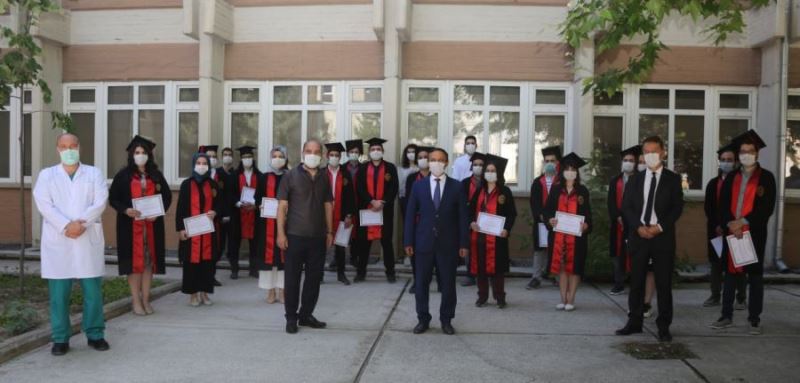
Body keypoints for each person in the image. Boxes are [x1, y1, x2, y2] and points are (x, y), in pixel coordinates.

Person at [33, 133, 110, 356]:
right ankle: (60, 338)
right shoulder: (47, 175)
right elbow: (44, 204)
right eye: (64, 146)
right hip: (59, 240)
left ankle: (95, 334)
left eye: (73, 145)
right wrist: (67, 225)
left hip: (87, 237)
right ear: (57, 149)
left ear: (80, 147)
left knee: (93, 292)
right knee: (58, 295)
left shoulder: (93, 173)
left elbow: (100, 201)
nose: (69, 150)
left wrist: (81, 224)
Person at [616, 136, 684, 342]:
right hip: (639, 236)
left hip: (662, 237)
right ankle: (634, 321)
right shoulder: (636, 179)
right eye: (646, 152)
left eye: (654, 151)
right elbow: (626, 207)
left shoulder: (673, 179)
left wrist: (659, 227)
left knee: (663, 283)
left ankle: (664, 326)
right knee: (636, 281)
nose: (650, 155)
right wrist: (638, 226)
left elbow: (677, 208)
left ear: (663, 152)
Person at [711, 130, 776, 335]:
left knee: (755, 277)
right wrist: (731, 223)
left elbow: (767, 208)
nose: (746, 154)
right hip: (733, 232)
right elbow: (722, 206)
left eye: (750, 151)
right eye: (742, 151)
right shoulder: (731, 178)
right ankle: (726, 315)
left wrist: (743, 222)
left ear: (757, 153)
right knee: (731, 276)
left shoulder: (766, 178)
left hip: (754, 233)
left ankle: (754, 319)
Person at [404, 148, 470, 335]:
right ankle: (422, 319)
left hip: (448, 244)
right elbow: (409, 215)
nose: (436, 163)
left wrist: (464, 244)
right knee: (421, 284)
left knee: (448, 284)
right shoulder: (419, 186)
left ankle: (446, 319)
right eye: (433, 160)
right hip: (423, 243)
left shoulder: (457, 187)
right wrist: (408, 240)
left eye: (440, 160)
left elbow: (463, 218)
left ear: (447, 163)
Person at [109, 135, 172, 316]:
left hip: (152, 227)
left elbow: (167, 197)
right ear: (131, 154)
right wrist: (126, 210)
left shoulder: (156, 175)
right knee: (134, 264)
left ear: (149, 155)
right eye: (137, 152)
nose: (140, 155)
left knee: (148, 264)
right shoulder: (123, 176)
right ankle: (135, 301)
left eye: (144, 152)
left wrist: (158, 211)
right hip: (130, 228)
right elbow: (113, 198)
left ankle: (146, 300)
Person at [277, 139, 335, 334]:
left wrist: (329, 231)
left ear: (322, 154)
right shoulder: (290, 176)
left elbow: (328, 206)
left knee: (313, 279)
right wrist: (280, 233)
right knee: (292, 279)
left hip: (318, 237)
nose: (313, 154)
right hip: (294, 236)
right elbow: (282, 207)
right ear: (302, 153)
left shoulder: (325, 177)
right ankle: (291, 317)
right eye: (309, 151)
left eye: (317, 151)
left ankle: (306, 315)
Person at [544, 153, 592, 311]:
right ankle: (563, 298)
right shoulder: (556, 190)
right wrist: (549, 220)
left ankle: (571, 299)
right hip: (558, 236)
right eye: (567, 169)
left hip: (577, 237)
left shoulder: (582, 191)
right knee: (563, 267)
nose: (570, 171)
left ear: (577, 172)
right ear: (562, 171)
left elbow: (588, 215)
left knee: (575, 267)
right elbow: (548, 212)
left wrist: (586, 225)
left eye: (573, 169)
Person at [468, 155, 516, 308]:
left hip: (498, 238)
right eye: (487, 170)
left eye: (493, 170)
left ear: (498, 173)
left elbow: (511, 214)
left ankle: (500, 297)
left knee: (498, 270)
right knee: (481, 268)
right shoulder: (479, 190)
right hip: (480, 236)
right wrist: (472, 222)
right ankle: (482, 296)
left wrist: (506, 229)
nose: (489, 173)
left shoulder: (505, 192)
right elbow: (470, 211)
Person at [176, 153, 223, 306]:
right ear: (194, 165)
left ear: (208, 166)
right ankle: (193, 294)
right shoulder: (186, 184)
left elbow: (220, 205)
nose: (201, 166)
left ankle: (204, 293)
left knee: (207, 263)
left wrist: (216, 212)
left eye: (204, 163)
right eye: (199, 162)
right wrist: (181, 229)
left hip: (208, 231)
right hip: (191, 231)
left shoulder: (213, 184)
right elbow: (181, 208)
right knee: (192, 263)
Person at [703, 144, 747, 308]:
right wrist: (717, 225)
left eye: (729, 160)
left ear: (736, 162)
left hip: (737, 229)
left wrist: (731, 224)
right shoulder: (713, 184)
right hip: (716, 231)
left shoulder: (741, 182)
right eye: (723, 160)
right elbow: (709, 207)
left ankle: (741, 297)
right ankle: (715, 296)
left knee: (739, 263)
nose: (726, 163)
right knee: (716, 264)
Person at [356, 137, 399, 283]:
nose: (376, 151)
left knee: (386, 243)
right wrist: (371, 201)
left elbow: (394, 188)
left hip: (384, 211)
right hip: (367, 211)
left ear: (382, 151)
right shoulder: (362, 168)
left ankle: (390, 272)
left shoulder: (390, 168)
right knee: (364, 244)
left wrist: (383, 202)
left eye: (378, 149)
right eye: (373, 149)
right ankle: (361, 272)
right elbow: (360, 188)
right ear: (369, 152)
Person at [404, 147, 439, 294]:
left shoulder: (438, 177)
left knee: (435, 252)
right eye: (420, 157)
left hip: (433, 223)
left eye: (426, 157)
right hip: (417, 222)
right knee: (416, 253)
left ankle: (438, 280)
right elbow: (408, 201)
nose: (423, 159)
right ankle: (417, 281)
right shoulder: (412, 178)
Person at [256, 146, 288, 304]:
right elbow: (257, 198)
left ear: (285, 158)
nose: (277, 159)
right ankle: (270, 291)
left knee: (284, 259)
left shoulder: (290, 177)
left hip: (286, 224)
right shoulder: (263, 177)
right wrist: (260, 206)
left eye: (280, 156)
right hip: (267, 224)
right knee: (268, 260)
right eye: (274, 156)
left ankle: (283, 291)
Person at [607, 145, 640, 295]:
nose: (628, 162)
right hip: (618, 223)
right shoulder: (615, 180)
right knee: (617, 253)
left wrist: (631, 219)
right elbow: (611, 202)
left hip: (635, 224)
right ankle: (619, 283)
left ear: (636, 162)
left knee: (635, 253)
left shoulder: (641, 179)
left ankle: (635, 283)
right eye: (625, 160)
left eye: (631, 160)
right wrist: (617, 216)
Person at [527, 146, 561, 290]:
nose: (549, 163)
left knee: (558, 248)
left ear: (558, 162)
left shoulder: (561, 181)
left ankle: (556, 276)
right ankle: (536, 277)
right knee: (539, 250)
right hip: (541, 221)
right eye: (547, 161)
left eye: (552, 161)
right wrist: (541, 216)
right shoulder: (537, 182)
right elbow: (534, 202)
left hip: (558, 222)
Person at [325, 142, 356, 285]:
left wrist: (349, 215)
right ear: (327, 156)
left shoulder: (345, 173)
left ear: (340, 157)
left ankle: (341, 274)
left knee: (341, 246)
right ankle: (319, 275)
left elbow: (350, 195)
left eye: (337, 155)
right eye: (331, 155)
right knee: (320, 246)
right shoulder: (321, 173)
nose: (334, 157)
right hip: (323, 215)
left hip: (341, 213)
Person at [228, 146, 261, 279]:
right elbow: (229, 194)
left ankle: (254, 269)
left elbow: (262, 194)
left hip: (254, 213)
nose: (247, 159)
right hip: (238, 213)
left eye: (249, 157)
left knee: (255, 243)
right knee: (234, 243)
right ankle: (234, 269)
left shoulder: (260, 176)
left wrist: (256, 205)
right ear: (241, 159)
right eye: (244, 157)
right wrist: (238, 203)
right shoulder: (234, 176)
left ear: (253, 159)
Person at [200, 145, 226, 287]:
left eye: (214, 156)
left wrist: (220, 212)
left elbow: (224, 197)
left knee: (216, 248)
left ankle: (212, 275)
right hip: (200, 220)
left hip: (216, 219)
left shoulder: (220, 175)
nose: (212, 159)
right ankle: (202, 278)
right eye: (209, 156)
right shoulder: (197, 176)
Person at [460, 152, 486, 287]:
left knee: (485, 247)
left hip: (486, 221)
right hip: (470, 220)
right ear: (471, 166)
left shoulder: (489, 183)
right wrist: (469, 220)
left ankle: (485, 274)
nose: (478, 167)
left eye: (481, 165)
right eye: (475, 164)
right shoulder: (464, 183)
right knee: (469, 247)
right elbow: (463, 204)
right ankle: (470, 274)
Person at [217, 147, 236, 281]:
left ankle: (234, 269)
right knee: (219, 243)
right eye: (225, 155)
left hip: (234, 214)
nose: (227, 157)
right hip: (220, 215)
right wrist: (221, 214)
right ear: (221, 157)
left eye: (230, 155)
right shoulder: (217, 173)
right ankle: (211, 272)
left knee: (233, 244)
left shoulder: (235, 174)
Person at [345, 139, 364, 268]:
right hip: (345, 204)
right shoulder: (342, 168)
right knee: (344, 230)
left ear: (360, 153)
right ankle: (337, 257)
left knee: (358, 232)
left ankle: (355, 256)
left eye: (356, 152)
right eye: (351, 152)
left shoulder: (364, 168)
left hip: (361, 203)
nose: (354, 154)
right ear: (347, 153)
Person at [398, 143, 418, 217]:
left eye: (413, 152)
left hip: (419, 198)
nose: (411, 154)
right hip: (405, 198)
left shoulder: (421, 167)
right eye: (408, 152)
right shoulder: (401, 169)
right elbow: (400, 185)